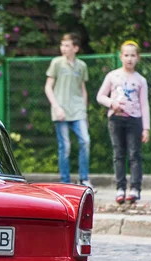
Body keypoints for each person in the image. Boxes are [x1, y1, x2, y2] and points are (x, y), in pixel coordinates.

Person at [96, 40, 150, 204]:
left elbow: (144, 104)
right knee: (118, 154)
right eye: (126, 55)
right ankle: (120, 188)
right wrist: (112, 103)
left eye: (133, 55)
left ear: (138, 58)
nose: (129, 59)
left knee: (134, 154)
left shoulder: (140, 80)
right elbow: (100, 96)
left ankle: (135, 189)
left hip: (134, 120)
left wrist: (146, 128)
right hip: (116, 120)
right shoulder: (112, 76)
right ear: (121, 57)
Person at [44, 33, 92, 189]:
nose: (63, 48)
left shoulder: (82, 66)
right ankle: (65, 181)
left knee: (85, 141)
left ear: (76, 48)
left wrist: (84, 113)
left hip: (77, 110)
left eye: (67, 45)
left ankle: (84, 178)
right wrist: (56, 107)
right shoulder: (56, 63)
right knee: (65, 147)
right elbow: (48, 87)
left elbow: (83, 90)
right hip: (61, 111)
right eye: (62, 45)